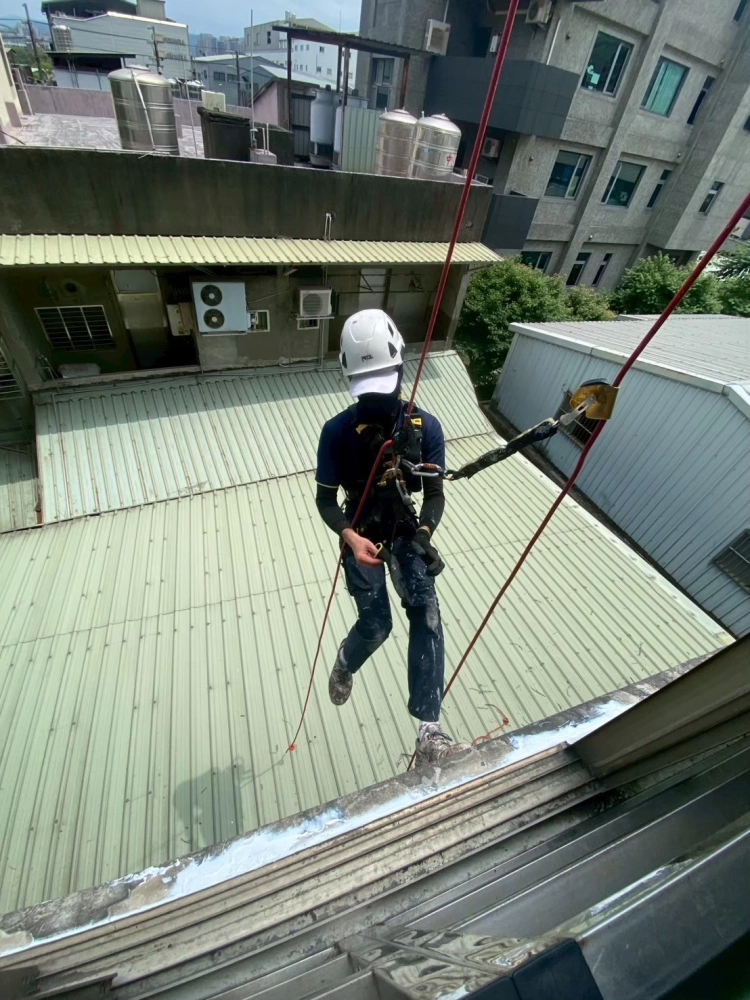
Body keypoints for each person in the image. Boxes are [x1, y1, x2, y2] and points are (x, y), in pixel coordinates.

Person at [315, 309, 470, 766]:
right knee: (377, 624)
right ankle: (347, 659)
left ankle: (429, 732)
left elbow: (434, 493)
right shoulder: (337, 433)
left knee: (426, 612)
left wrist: (424, 534)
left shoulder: (425, 428)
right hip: (361, 530)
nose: (377, 398)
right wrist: (349, 536)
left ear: (402, 367)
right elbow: (325, 500)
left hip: (403, 528)